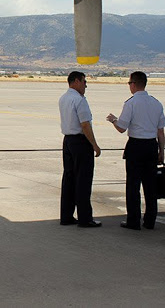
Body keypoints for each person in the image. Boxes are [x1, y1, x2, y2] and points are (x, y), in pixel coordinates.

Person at [106, 71, 165, 230]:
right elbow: (160, 131)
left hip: (135, 146)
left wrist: (113, 120)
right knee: (150, 186)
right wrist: (161, 151)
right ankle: (150, 221)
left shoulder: (131, 103)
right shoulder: (156, 103)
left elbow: (121, 127)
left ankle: (133, 220)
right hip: (151, 147)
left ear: (133, 84)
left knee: (133, 185)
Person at [58, 71, 102, 228]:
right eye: (84, 81)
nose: (85, 85)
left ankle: (66, 216)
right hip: (80, 142)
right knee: (83, 180)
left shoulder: (64, 98)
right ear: (76, 81)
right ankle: (85, 218)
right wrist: (94, 144)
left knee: (69, 179)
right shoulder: (79, 100)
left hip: (68, 141)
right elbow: (85, 124)